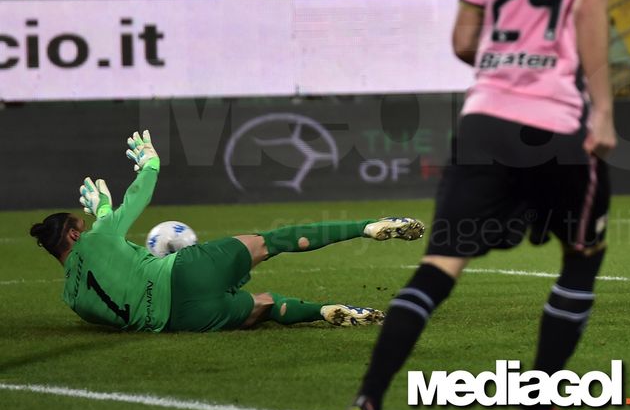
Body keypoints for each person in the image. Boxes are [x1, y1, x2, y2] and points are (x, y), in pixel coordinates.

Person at [337, 0, 630, 410]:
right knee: (582, 253)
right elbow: (589, 10)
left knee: (439, 265)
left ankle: (366, 403)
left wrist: (510, 49)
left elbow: (464, 42)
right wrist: (604, 110)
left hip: (484, 117)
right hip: (556, 123)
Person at [30, 130, 425, 333]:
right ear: (73, 236)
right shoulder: (98, 236)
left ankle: (323, 311)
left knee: (265, 305)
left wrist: (102, 216)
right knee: (272, 241)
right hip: (182, 273)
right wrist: (149, 165)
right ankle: (367, 227)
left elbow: (110, 282)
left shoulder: (73, 300)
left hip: (179, 321)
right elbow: (137, 198)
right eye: (80, 226)